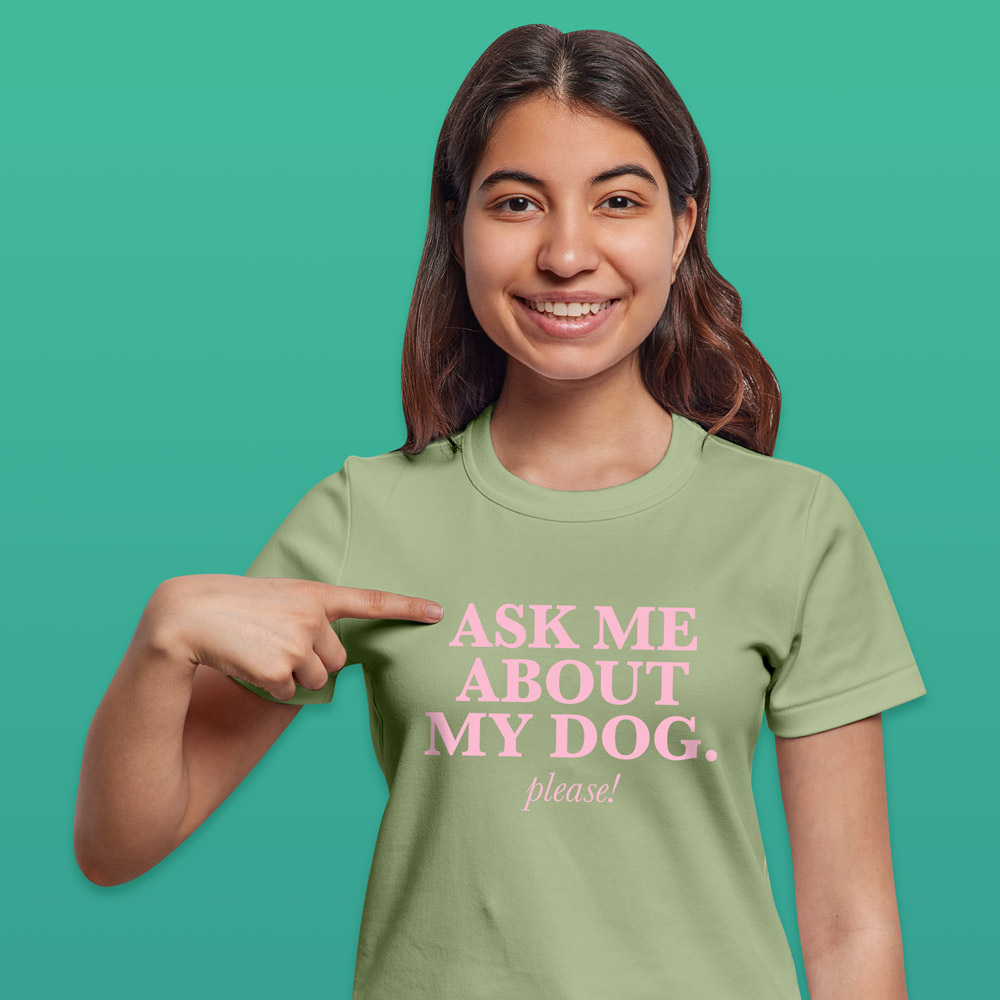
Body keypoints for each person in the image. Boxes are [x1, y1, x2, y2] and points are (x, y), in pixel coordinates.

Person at [74, 23, 927, 1000]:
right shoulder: (363, 516)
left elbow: (850, 924)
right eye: (518, 202)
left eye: (618, 201)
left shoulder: (796, 523)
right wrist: (158, 645)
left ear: (683, 226)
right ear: (457, 222)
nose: (567, 253)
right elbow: (117, 845)